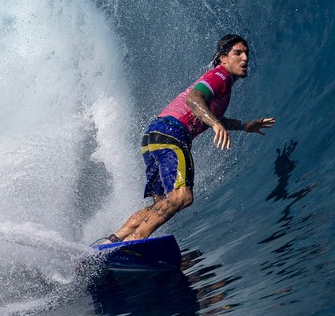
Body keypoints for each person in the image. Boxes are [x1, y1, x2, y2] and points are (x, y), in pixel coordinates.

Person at [101, 34, 275, 243]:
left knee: (162, 204)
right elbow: (194, 99)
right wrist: (216, 124)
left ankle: (113, 240)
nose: (245, 58)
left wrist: (243, 125)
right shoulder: (219, 76)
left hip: (153, 137)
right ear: (223, 58)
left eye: (246, 53)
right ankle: (134, 242)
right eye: (237, 53)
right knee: (182, 196)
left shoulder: (221, 83)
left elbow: (209, 113)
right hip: (171, 134)